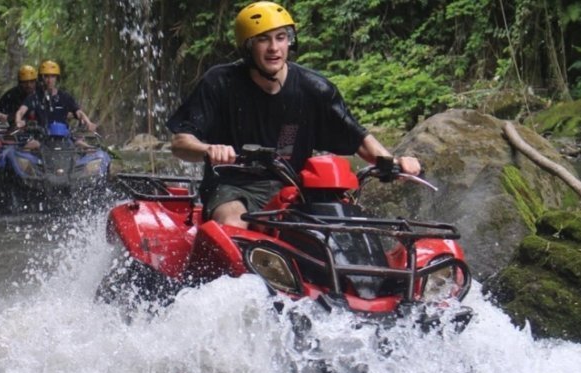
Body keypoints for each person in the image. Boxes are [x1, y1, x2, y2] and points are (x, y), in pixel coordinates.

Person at [166, 1, 421, 229]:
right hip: (232, 186)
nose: (274, 48)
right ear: (248, 46)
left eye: (281, 37)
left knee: (341, 227)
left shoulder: (315, 88)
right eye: (263, 39)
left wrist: (393, 162)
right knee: (234, 222)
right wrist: (209, 150)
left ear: (291, 41)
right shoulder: (220, 82)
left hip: (294, 188)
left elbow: (358, 138)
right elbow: (180, 143)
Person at [14, 60, 96, 149]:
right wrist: (18, 121)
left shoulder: (65, 96)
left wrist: (88, 122)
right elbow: (21, 111)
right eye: (46, 77)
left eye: (53, 76)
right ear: (41, 78)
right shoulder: (35, 97)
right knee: (30, 146)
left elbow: (79, 112)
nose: (49, 80)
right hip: (41, 137)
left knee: (81, 144)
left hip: (64, 137)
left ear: (57, 78)